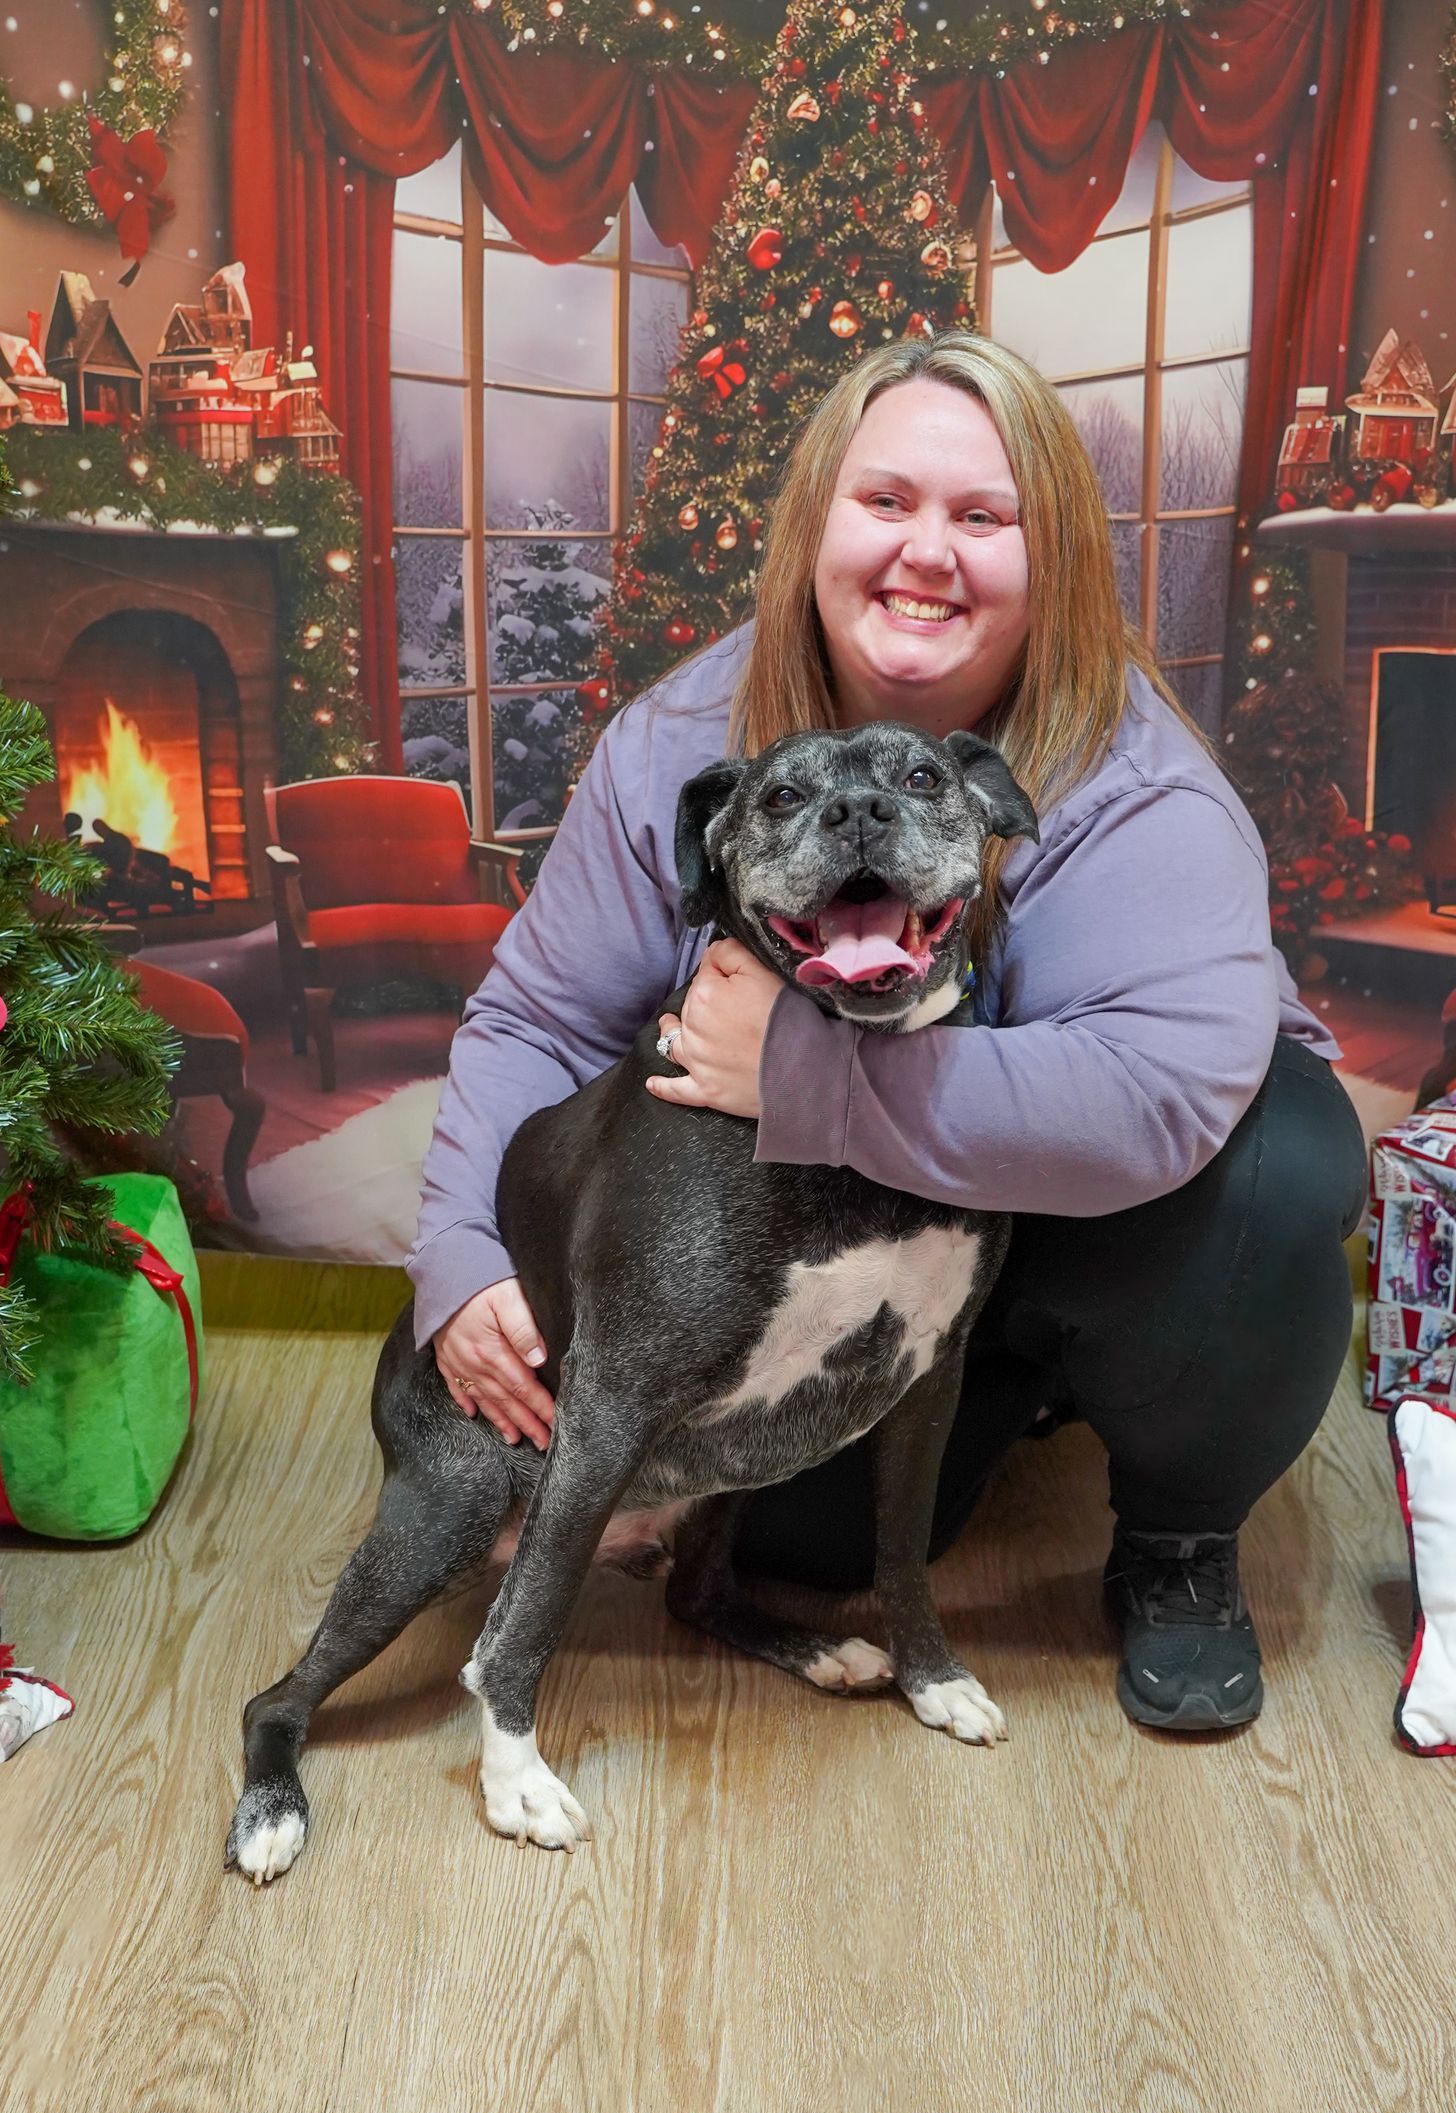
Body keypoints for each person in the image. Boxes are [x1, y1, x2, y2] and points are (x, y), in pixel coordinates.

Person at [407, 330, 1367, 1733]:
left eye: (986, 517)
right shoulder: (684, 739)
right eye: (887, 503)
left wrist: (801, 1074)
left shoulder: (1139, 782)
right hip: (845, 1248)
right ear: (815, 528)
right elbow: (541, 1019)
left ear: (1055, 561)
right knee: (794, 1545)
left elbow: (1160, 1094)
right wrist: (460, 1255)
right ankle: (1002, 1392)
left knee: (1277, 1153)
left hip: (1120, 1218)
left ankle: (1178, 1532)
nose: (930, 552)